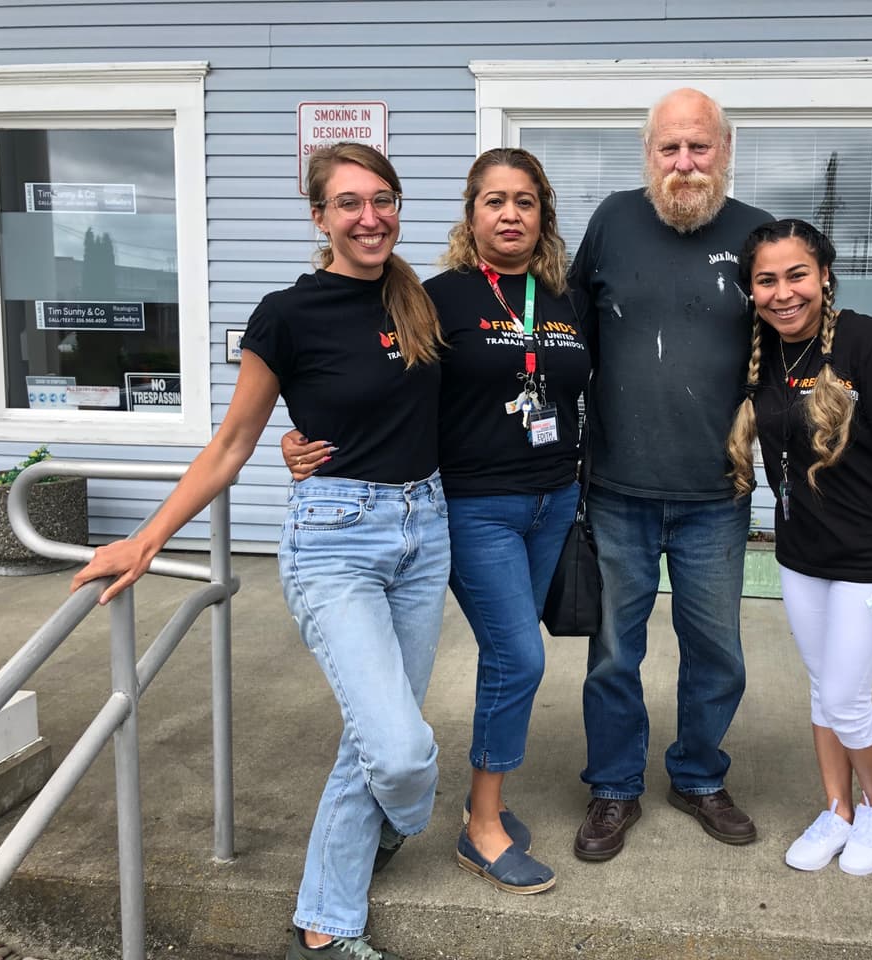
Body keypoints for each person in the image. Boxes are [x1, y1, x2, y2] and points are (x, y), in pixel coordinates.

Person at [73, 142, 448, 960]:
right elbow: (233, 443)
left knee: (371, 736)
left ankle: (324, 927)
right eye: (348, 203)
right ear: (320, 217)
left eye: (382, 199)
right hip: (335, 540)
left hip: (427, 527)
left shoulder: (420, 299)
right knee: (398, 746)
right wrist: (146, 539)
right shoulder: (287, 312)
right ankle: (398, 812)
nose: (369, 217)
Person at [284, 148, 591, 893]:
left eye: (525, 201)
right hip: (473, 505)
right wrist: (303, 441)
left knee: (509, 657)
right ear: (471, 214)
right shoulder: (433, 297)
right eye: (494, 201)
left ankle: (460, 807)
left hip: (555, 498)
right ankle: (482, 825)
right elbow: (376, 380)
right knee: (519, 657)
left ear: (543, 214)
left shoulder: (564, 298)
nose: (510, 214)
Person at [568, 88, 771, 862]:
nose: (684, 164)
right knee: (616, 651)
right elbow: (566, 340)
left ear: (725, 150)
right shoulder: (612, 224)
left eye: (699, 147)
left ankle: (696, 774)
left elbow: (794, 350)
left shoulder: (757, 235)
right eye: (669, 149)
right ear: (648, 154)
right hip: (616, 488)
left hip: (715, 497)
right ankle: (615, 786)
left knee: (716, 649)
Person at [729, 217, 872, 876]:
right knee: (823, 690)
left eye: (797, 275)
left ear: (824, 277)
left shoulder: (871, 345)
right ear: (751, 289)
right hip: (802, 553)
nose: (784, 293)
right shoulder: (762, 352)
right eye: (767, 280)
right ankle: (837, 809)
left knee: (846, 697)